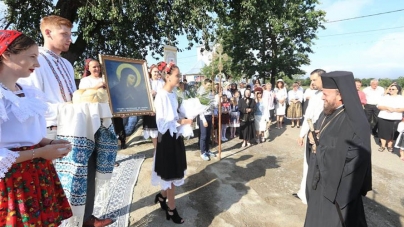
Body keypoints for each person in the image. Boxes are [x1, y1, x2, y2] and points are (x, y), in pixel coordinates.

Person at [0, 30, 73, 226]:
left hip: (38, 173)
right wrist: (41, 152)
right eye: (32, 57)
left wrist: (50, 143)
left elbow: (28, 135)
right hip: (12, 180)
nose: (38, 64)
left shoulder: (28, 93)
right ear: (6, 55)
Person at [305, 71, 372, 227]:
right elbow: (318, 131)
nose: (322, 97)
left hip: (336, 191)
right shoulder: (327, 112)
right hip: (319, 182)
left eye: (325, 94)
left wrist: (320, 147)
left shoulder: (356, 122)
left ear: (340, 95)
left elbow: (355, 159)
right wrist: (311, 137)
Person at [18, 15, 76, 140]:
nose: (69, 39)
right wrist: (68, 108)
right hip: (50, 130)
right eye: (64, 34)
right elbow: (31, 102)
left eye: (70, 34)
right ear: (48, 33)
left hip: (74, 126)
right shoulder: (34, 60)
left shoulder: (67, 64)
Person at [152, 62, 192, 224]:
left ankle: (162, 197)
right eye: (177, 75)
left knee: (173, 174)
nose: (179, 77)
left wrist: (184, 116)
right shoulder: (161, 96)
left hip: (175, 137)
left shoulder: (173, 94)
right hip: (167, 139)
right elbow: (162, 124)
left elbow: (175, 115)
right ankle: (171, 209)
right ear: (167, 77)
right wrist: (182, 121)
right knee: (171, 176)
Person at [295, 69, 325, 204]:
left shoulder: (328, 94)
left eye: (314, 79)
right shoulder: (315, 95)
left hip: (323, 134)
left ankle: (314, 194)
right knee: (308, 164)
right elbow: (308, 116)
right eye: (311, 80)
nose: (312, 82)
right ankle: (304, 192)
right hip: (311, 132)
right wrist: (302, 134)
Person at [376, 84, 404, 152]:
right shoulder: (385, 97)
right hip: (383, 117)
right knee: (382, 132)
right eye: (390, 89)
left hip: (395, 118)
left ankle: (389, 146)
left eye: (393, 89)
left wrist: (394, 110)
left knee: (392, 133)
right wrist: (387, 107)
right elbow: (379, 106)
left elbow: (403, 108)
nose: (390, 90)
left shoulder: (401, 98)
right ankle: (382, 146)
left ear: (397, 90)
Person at [143, 63, 165, 149]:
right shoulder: (147, 82)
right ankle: (156, 149)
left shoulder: (162, 82)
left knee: (161, 130)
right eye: (154, 71)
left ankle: (161, 148)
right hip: (151, 110)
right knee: (153, 132)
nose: (156, 73)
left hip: (160, 109)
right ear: (150, 72)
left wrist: (157, 93)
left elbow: (165, 94)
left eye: (157, 72)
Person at [197, 79, 216, 161]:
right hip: (203, 117)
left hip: (209, 116)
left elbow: (212, 105)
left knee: (208, 135)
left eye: (210, 86)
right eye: (208, 85)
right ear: (204, 84)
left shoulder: (210, 94)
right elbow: (199, 108)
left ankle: (207, 150)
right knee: (203, 135)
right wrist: (203, 120)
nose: (209, 87)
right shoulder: (201, 94)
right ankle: (202, 152)